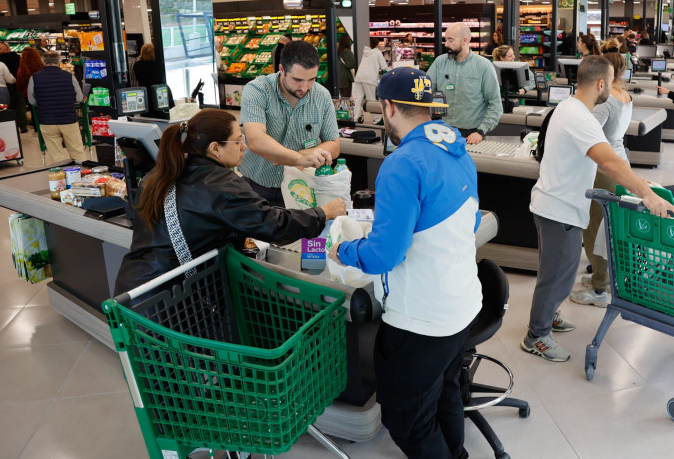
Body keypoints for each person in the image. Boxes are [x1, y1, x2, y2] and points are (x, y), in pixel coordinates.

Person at [330, 67, 481, 459]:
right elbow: (473, 221)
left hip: (421, 319)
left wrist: (344, 250)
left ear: (388, 107)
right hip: (463, 305)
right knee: (444, 389)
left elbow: (385, 255)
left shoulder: (402, 163)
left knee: (407, 418)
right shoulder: (458, 151)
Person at [523, 56, 674, 362]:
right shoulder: (581, 118)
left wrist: (636, 180)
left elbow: (605, 163)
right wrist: (648, 196)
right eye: (611, 82)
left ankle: (549, 315)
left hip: (552, 204)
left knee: (557, 272)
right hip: (559, 210)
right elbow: (609, 162)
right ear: (600, 84)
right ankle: (536, 335)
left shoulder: (569, 107)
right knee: (557, 277)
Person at [115, 109, 346, 295]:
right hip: (173, 306)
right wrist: (324, 212)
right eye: (237, 141)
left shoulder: (159, 175)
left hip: (133, 293)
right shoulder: (220, 184)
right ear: (215, 148)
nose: (244, 146)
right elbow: (275, 225)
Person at [239, 40, 339, 205]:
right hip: (257, 188)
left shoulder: (322, 95)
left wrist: (300, 156)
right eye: (297, 79)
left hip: (301, 187)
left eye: (312, 79)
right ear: (281, 69)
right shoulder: (257, 90)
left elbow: (334, 144)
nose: (304, 87)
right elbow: (256, 140)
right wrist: (299, 160)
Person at [570, 51, 634, 307]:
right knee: (607, 229)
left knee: (596, 229)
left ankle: (599, 289)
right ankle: (601, 278)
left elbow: (586, 129)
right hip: (619, 161)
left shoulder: (606, 102)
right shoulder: (626, 96)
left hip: (602, 169)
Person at [426, 22, 503, 144]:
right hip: (441, 131)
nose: (446, 44)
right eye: (446, 40)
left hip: (471, 135)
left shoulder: (484, 66)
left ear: (464, 40)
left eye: (451, 40)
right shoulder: (439, 62)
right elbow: (426, 92)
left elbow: (495, 104)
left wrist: (481, 131)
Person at [27, 51, 85, 163]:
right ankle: (80, 176)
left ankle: (60, 177)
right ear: (59, 61)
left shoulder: (34, 78)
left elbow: (31, 101)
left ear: (43, 61)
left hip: (47, 121)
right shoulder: (69, 77)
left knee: (56, 154)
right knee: (77, 151)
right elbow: (79, 98)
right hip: (68, 120)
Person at [352, 38, 387, 122]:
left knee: (357, 98)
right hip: (370, 78)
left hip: (359, 76)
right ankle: (376, 119)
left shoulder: (365, 52)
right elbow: (384, 67)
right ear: (378, 44)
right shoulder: (378, 53)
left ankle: (354, 117)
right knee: (371, 99)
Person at [17, 47, 44, 131]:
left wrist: (21, 92)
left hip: (28, 93)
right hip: (41, 91)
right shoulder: (41, 67)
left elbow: (20, 83)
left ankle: (36, 127)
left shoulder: (22, 69)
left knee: (33, 110)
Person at [337, 33, 356, 98]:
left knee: (342, 97)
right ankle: (345, 108)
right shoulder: (347, 52)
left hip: (339, 78)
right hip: (346, 79)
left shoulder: (338, 51)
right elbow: (352, 65)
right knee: (346, 98)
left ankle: (342, 108)